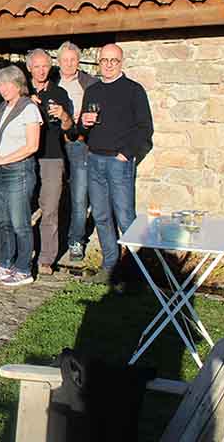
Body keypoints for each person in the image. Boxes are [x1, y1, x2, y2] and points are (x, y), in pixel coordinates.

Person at [78, 43, 153, 284]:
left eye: (114, 60)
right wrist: (83, 123)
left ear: (121, 62)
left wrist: (126, 154)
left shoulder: (134, 90)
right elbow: (82, 129)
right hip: (95, 159)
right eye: (104, 60)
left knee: (125, 216)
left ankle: (134, 271)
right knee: (100, 215)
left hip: (119, 162)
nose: (109, 65)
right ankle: (109, 267)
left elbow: (145, 129)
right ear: (99, 62)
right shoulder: (92, 91)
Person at [0, 65, 42, 287]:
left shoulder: (29, 108)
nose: (3, 88)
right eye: (0, 85)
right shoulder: (2, 108)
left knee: (20, 223)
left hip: (18, 171)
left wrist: (4, 159)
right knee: (3, 222)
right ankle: (5, 264)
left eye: (7, 84)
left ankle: (24, 268)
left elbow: (32, 145)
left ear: (18, 85)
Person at [26, 49, 74, 276]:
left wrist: (63, 114)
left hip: (52, 156)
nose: (42, 70)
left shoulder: (60, 93)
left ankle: (46, 258)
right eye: (37, 66)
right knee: (21, 208)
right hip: (24, 156)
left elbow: (69, 127)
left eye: (45, 66)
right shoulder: (21, 91)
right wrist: (26, 103)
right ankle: (22, 256)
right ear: (29, 68)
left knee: (50, 209)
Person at [56, 42, 100, 261]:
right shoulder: (51, 82)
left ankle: (76, 240)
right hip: (52, 144)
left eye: (73, 59)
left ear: (79, 61)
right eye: (65, 60)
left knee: (80, 194)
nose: (69, 64)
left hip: (79, 143)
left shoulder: (90, 83)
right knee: (50, 193)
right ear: (58, 61)